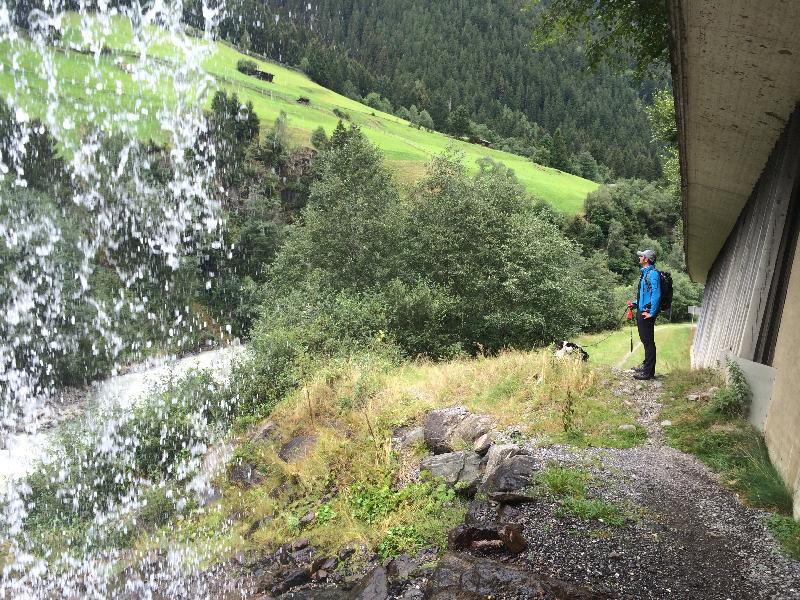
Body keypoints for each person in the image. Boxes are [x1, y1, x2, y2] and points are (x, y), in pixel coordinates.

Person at [628, 249, 661, 380]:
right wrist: (635, 304)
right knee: (645, 341)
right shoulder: (645, 273)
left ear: (646, 259)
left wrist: (652, 313)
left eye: (641, 256)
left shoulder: (653, 274)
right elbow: (644, 295)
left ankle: (648, 373)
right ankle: (647, 367)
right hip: (642, 311)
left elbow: (656, 294)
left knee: (648, 342)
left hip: (646, 313)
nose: (639, 257)